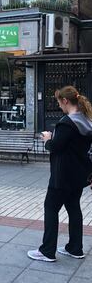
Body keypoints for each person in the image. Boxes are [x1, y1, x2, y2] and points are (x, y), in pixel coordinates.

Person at [28, 86, 92, 262]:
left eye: (59, 102)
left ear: (65, 101)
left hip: (62, 175)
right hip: (79, 176)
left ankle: (47, 251)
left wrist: (48, 139)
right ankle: (75, 248)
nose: (59, 106)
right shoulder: (87, 121)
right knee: (74, 208)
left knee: (50, 207)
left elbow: (55, 148)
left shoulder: (67, 123)